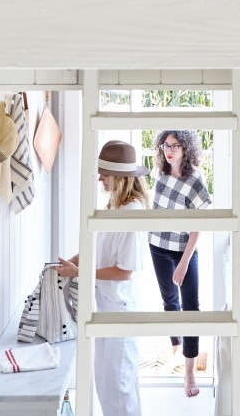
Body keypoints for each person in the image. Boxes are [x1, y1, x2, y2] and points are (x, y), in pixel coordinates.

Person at [57, 140, 148, 416]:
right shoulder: (114, 207)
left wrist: (80, 273)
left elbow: (124, 271)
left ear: (120, 178)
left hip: (119, 314)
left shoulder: (133, 215)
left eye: (104, 174)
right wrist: (74, 261)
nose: (99, 178)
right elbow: (97, 247)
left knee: (120, 391)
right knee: (107, 388)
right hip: (105, 311)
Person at [148, 129, 212, 398]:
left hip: (183, 250)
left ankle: (189, 373)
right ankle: (177, 350)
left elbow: (198, 227)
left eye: (174, 145)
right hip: (157, 246)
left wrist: (184, 262)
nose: (169, 150)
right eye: (165, 145)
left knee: (191, 308)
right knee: (169, 303)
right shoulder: (160, 174)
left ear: (186, 148)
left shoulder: (195, 179)